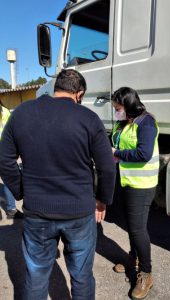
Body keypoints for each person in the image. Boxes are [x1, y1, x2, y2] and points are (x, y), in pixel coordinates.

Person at [0, 69, 116, 300]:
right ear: (79, 93)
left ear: (56, 89)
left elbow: (4, 160)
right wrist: (103, 200)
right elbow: (107, 167)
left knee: (36, 275)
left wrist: (21, 190)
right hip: (80, 212)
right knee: (82, 276)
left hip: (37, 212)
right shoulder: (88, 118)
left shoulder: (22, 113)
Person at [111, 87, 159, 300]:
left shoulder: (146, 122)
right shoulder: (122, 124)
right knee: (131, 225)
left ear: (128, 105)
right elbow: (114, 143)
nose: (116, 111)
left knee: (138, 229)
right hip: (126, 181)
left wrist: (117, 153)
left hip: (142, 184)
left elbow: (144, 153)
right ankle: (134, 259)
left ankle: (146, 274)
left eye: (118, 107)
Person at [0, 101, 22, 219]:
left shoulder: (6, 112)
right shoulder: (5, 111)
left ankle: (11, 209)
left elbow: (13, 131)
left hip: (5, 151)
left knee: (9, 179)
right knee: (9, 178)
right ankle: (11, 209)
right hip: (6, 151)